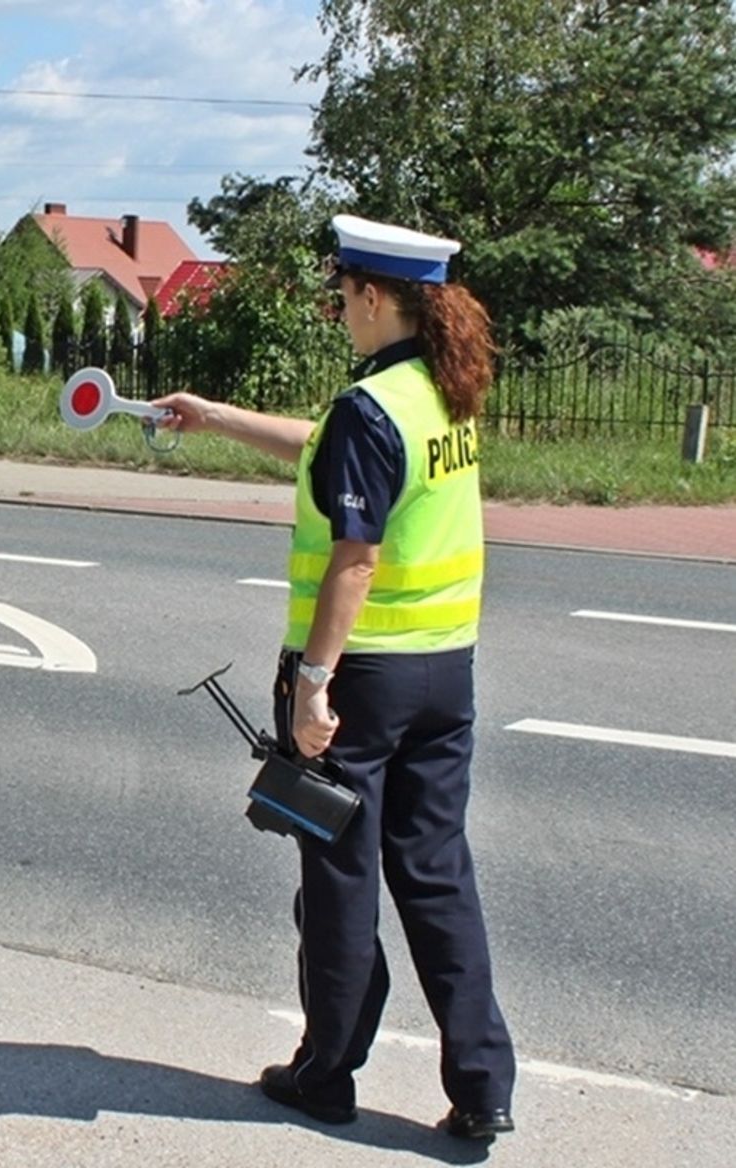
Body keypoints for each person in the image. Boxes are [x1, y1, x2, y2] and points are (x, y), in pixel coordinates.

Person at [154, 214, 517, 1140]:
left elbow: (353, 557)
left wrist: (314, 682)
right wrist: (219, 416)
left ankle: (327, 1072)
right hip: (446, 674)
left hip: (364, 682)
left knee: (339, 879)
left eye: (342, 295)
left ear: (370, 296)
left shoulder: (372, 408)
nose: (338, 311)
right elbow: (326, 450)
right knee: (436, 873)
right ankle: (482, 1086)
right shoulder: (437, 391)